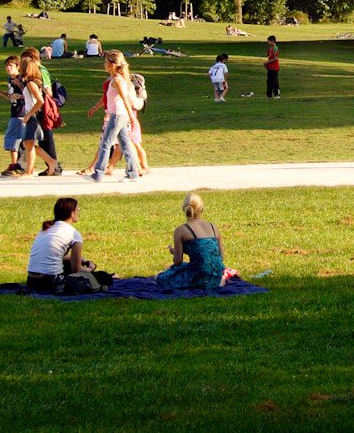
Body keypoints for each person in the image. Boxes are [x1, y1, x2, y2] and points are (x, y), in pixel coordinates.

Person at [87, 50, 143, 182]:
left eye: (106, 61)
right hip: (118, 114)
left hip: (118, 115)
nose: (104, 64)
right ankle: (133, 172)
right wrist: (95, 108)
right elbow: (107, 97)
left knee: (105, 143)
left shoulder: (117, 80)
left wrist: (132, 117)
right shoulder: (115, 79)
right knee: (125, 144)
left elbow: (125, 99)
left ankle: (98, 174)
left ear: (112, 64)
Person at [25, 198, 99, 294]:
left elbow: (55, 254)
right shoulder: (74, 234)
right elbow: (76, 269)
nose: (79, 211)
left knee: (67, 265)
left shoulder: (47, 228)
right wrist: (90, 269)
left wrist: (83, 260)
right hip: (50, 282)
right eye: (78, 209)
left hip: (31, 281)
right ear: (72, 213)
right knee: (93, 280)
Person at [156, 193, 227, 291]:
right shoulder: (213, 227)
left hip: (198, 276)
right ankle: (214, 281)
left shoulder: (181, 230)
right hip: (216, 275)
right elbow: (220, 257)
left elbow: (177, 261)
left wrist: (174, 252)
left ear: (184, 209)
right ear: (202, 208)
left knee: (161, 277)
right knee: (192, 267)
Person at [13, 50, 61, 177]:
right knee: (28, 144)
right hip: (32, 115)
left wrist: (28, 115)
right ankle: (51, 162)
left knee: (28, 143)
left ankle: (33, 170)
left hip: (33, 116)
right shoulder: (30, 83)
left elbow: (39, 101)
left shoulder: (31, 83)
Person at [0, 56, 26, 176]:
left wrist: (19, 89)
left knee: (12, 140)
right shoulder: (10, 80)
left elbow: (31, 94)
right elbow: (11, 97)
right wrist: (0, 93)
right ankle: (19, 165)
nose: (8, 68)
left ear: (18, 67)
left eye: (11, 65)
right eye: (6, 65)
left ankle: (15, 166)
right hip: (14, 111)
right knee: (18, 141)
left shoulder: (21, 79)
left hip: (21, 112)